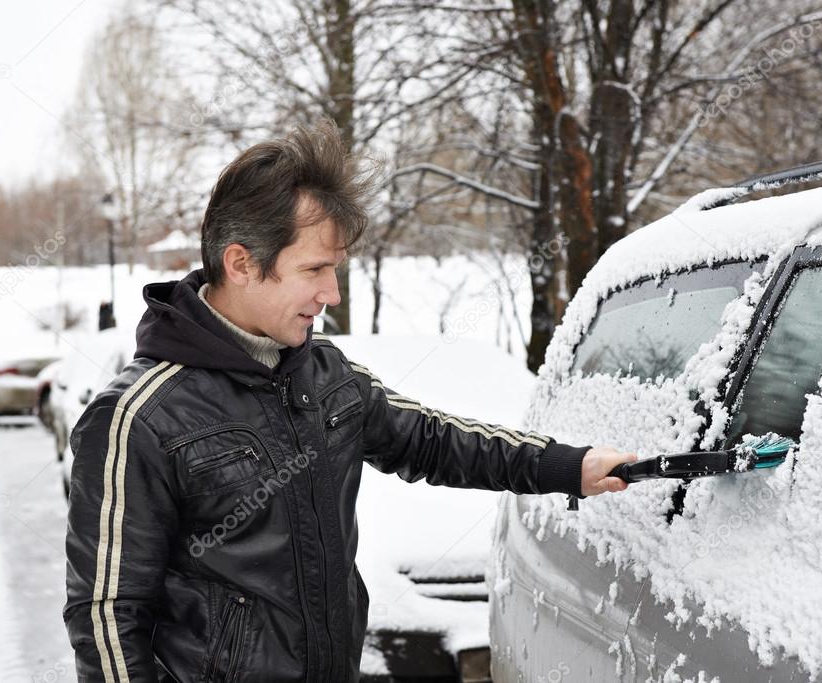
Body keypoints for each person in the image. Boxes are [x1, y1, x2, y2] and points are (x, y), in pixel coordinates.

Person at [63, 121, 637, 682]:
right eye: (313, 269)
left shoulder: (324, 374)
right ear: (240, 263)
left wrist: (569, 467)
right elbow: (108, 618)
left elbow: (434, 442)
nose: (330, 293)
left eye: (334, 270)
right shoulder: (138, 418)